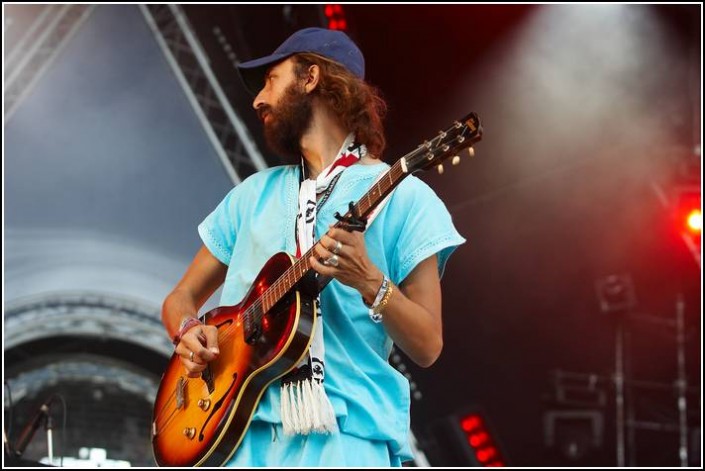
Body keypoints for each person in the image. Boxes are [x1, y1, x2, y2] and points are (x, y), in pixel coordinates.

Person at [161, 27, 465, 467]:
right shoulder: (252, 195)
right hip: (237, 435)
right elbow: (180, 299)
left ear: (311, 78)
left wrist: (370, 281)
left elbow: (427, 345)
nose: (257, 100)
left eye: (270, 80)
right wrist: (189, 331)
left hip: (346, 438)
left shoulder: (407, 198)